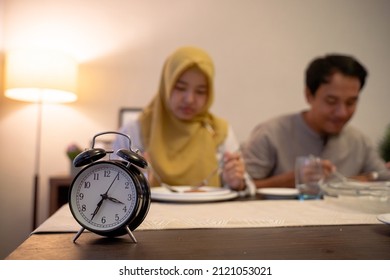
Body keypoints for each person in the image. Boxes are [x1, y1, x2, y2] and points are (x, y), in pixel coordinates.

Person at [112, 46, 255, 196]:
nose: (189, 99)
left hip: (209, 217)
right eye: (180, 88)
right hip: (152, 218)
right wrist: (132, 180)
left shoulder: (219, 131)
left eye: (200, 91)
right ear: (166, 85)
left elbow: (247, 188)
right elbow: (110, 188)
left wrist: (236, 182)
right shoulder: (136, 130)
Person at [242, 54, 390, 189]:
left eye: (350, 103)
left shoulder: (359, 142)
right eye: (331, 101)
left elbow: (382, 179)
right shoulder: (270, 134)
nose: (342, 113)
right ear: (308, 95)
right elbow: (242, 189)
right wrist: (292, 179)